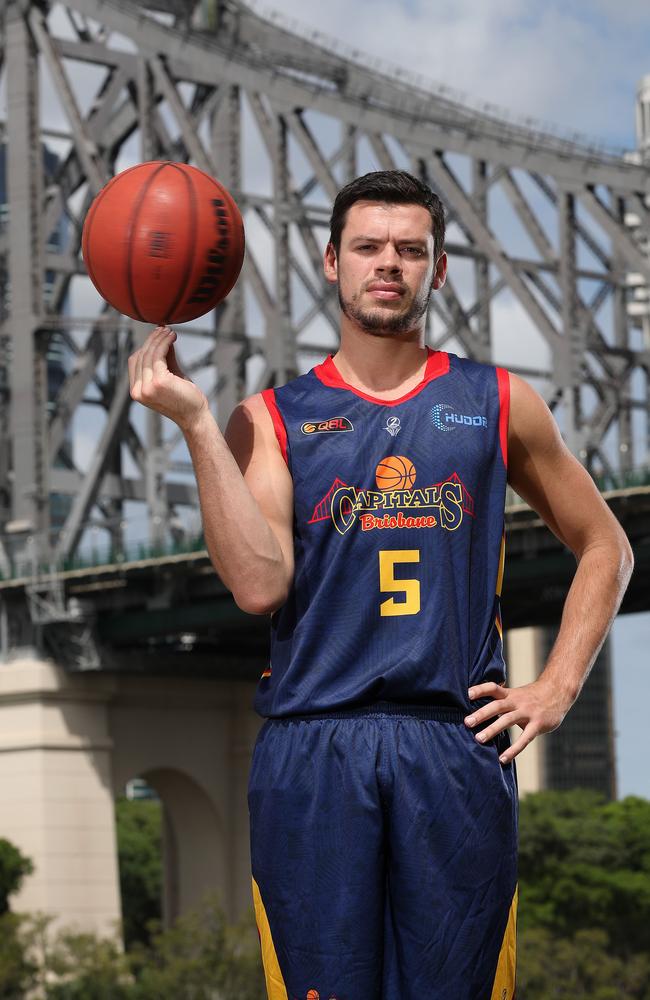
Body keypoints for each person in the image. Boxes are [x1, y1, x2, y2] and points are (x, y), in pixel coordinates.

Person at [128, 170, 633, 1000]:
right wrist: (195, 423)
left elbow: (606, 546)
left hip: (453, 746)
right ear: (332, 262)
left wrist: (558, 686)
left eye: (411, 249)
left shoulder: (499, 400)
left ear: (438, 271)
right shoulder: (270, 416)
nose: (387, 263)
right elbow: (258, 586)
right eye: (367, 247)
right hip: (313, 744)